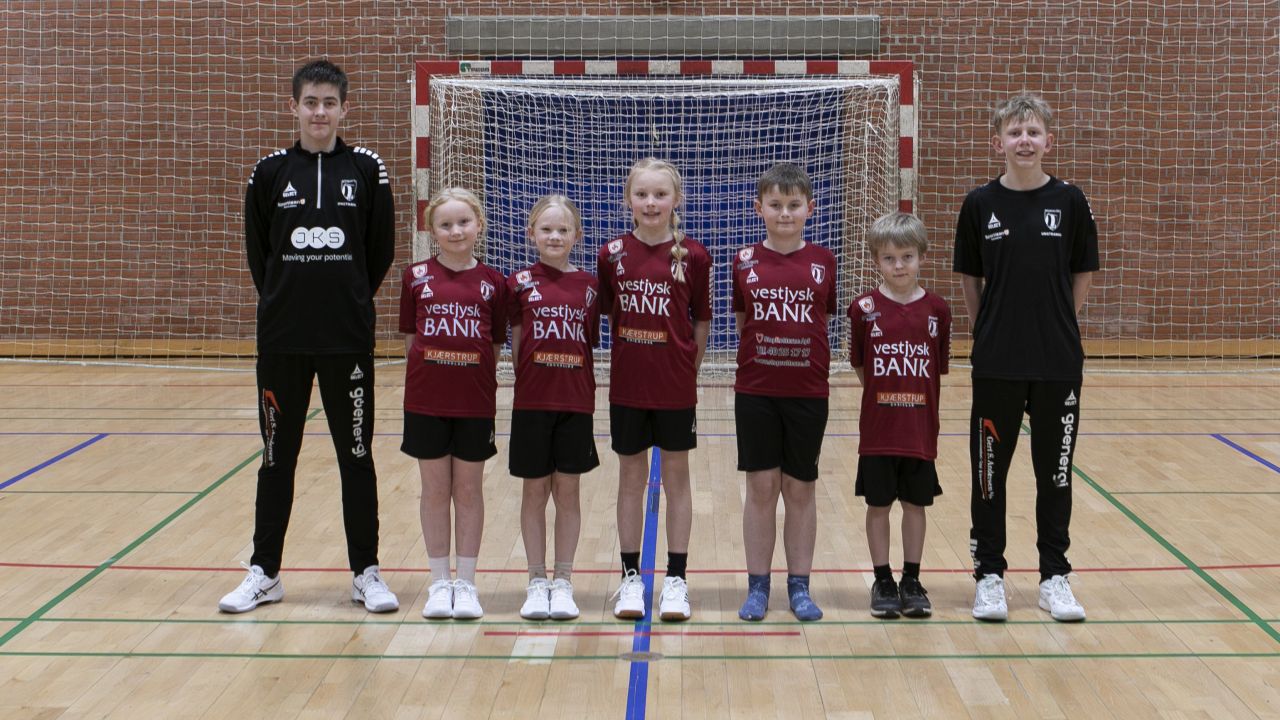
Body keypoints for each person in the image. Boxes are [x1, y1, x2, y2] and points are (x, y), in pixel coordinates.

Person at [220, 59, 398, 614]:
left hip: (347, 340)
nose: (320, 112)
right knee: (277, 458)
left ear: (344, 109)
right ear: (293, 107)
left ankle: (366, 572)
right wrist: (286, 300)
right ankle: (265, 572)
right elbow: (260, 256)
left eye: (329, 103)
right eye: (311, 102)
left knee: (356, 455)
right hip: (283, 341)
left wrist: (347, 298)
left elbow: (380, 251)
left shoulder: (367, 168)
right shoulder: (269, 172)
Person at [953, 92, 1099, 622]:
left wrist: (1057, 322)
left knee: (1054, 475)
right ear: (998, 143)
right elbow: (970, 279)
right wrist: (989, 329)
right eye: (1015, 133)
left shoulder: (1071, 201)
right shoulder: (978, 204)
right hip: (997, 361)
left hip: (1057, 361)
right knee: (989, 475)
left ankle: (1054, 577)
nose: (1024, 141)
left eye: (1033, 132)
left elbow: (1082, 273)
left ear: (1048, 141)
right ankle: (989, 576)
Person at [598, 158, 712, 622]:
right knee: (631, 479)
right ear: (628, 199)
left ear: (675, 200)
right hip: (628, 387)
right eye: (642, 194)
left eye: (660, 194)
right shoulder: (612, 255)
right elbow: (611, 314)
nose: (650, 203)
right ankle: (631, 578)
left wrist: (687, 370)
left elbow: (701, 321)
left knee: (677, 481)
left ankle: (676, 580)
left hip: (674, 389)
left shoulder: (694, 256)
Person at [732, 163, 837, 622]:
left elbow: (822, 322)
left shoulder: (824, 261)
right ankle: (758, 587)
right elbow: (744, 323)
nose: (785, 213)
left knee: (799, 487)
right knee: (761, 486)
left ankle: (800, 586)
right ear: (759, 209)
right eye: (775, 205)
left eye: (794, 205)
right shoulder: (744, 260)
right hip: (756, 390)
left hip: (808, 392)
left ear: (810, 209)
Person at [399, 187, 508, 620]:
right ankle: (439, 582)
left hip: (474, 403)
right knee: (434, 490)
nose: (456, 231)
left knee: (467, 490)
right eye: (445, 224)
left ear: (479, 224)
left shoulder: (494, 282)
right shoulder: (415, 277)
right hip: (426, 401)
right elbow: (412, 341)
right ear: (432, 231)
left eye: (463, 222)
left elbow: (494, 345)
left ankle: (466, 583)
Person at [848, 212, 951, 619]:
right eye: (889, 258)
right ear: (876, 260)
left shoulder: (937, 310)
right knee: (878, 505)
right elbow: (862, 366)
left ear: (922, 256)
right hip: (879, 431)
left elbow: (936, 368)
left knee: (914, 504)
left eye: (907, 256)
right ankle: (882, 580)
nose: (899, 266)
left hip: (919, 430)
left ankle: (911, 578)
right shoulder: (863, 309)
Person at [507, 195, 601, 621]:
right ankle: (535, 579)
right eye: (546, 229)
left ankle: (563, 580)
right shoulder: (518, 283)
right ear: (532, 234)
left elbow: (588, 342)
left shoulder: (590, 286)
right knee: (534, 491)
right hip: (532, 402)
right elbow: (517, 344)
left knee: (567, 491)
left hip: (575, 401)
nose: (555, 236)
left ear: (576, 235)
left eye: (563, 230)